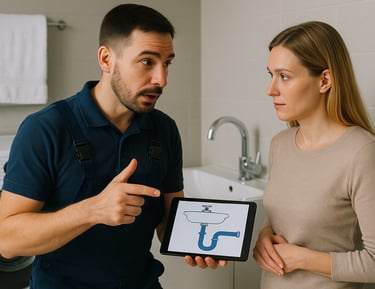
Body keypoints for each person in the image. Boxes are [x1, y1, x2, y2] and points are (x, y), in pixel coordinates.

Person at [0, 4, 225, 289]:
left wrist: (203, 241)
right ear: (107, 59)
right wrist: (93, 210)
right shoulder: (45, 128)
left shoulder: (164, 130)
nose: (161, 79)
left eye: (167, 63)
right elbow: (7, 240)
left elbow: (169, 222)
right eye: (147, 61)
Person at [253, 21, 375, 289]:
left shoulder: (362, 153)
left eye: (284, 76)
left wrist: (303, 259)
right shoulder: (280, 144)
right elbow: (280, 217)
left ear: (324, 80)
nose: (271, 90)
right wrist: (264, 236)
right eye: (270, 75)